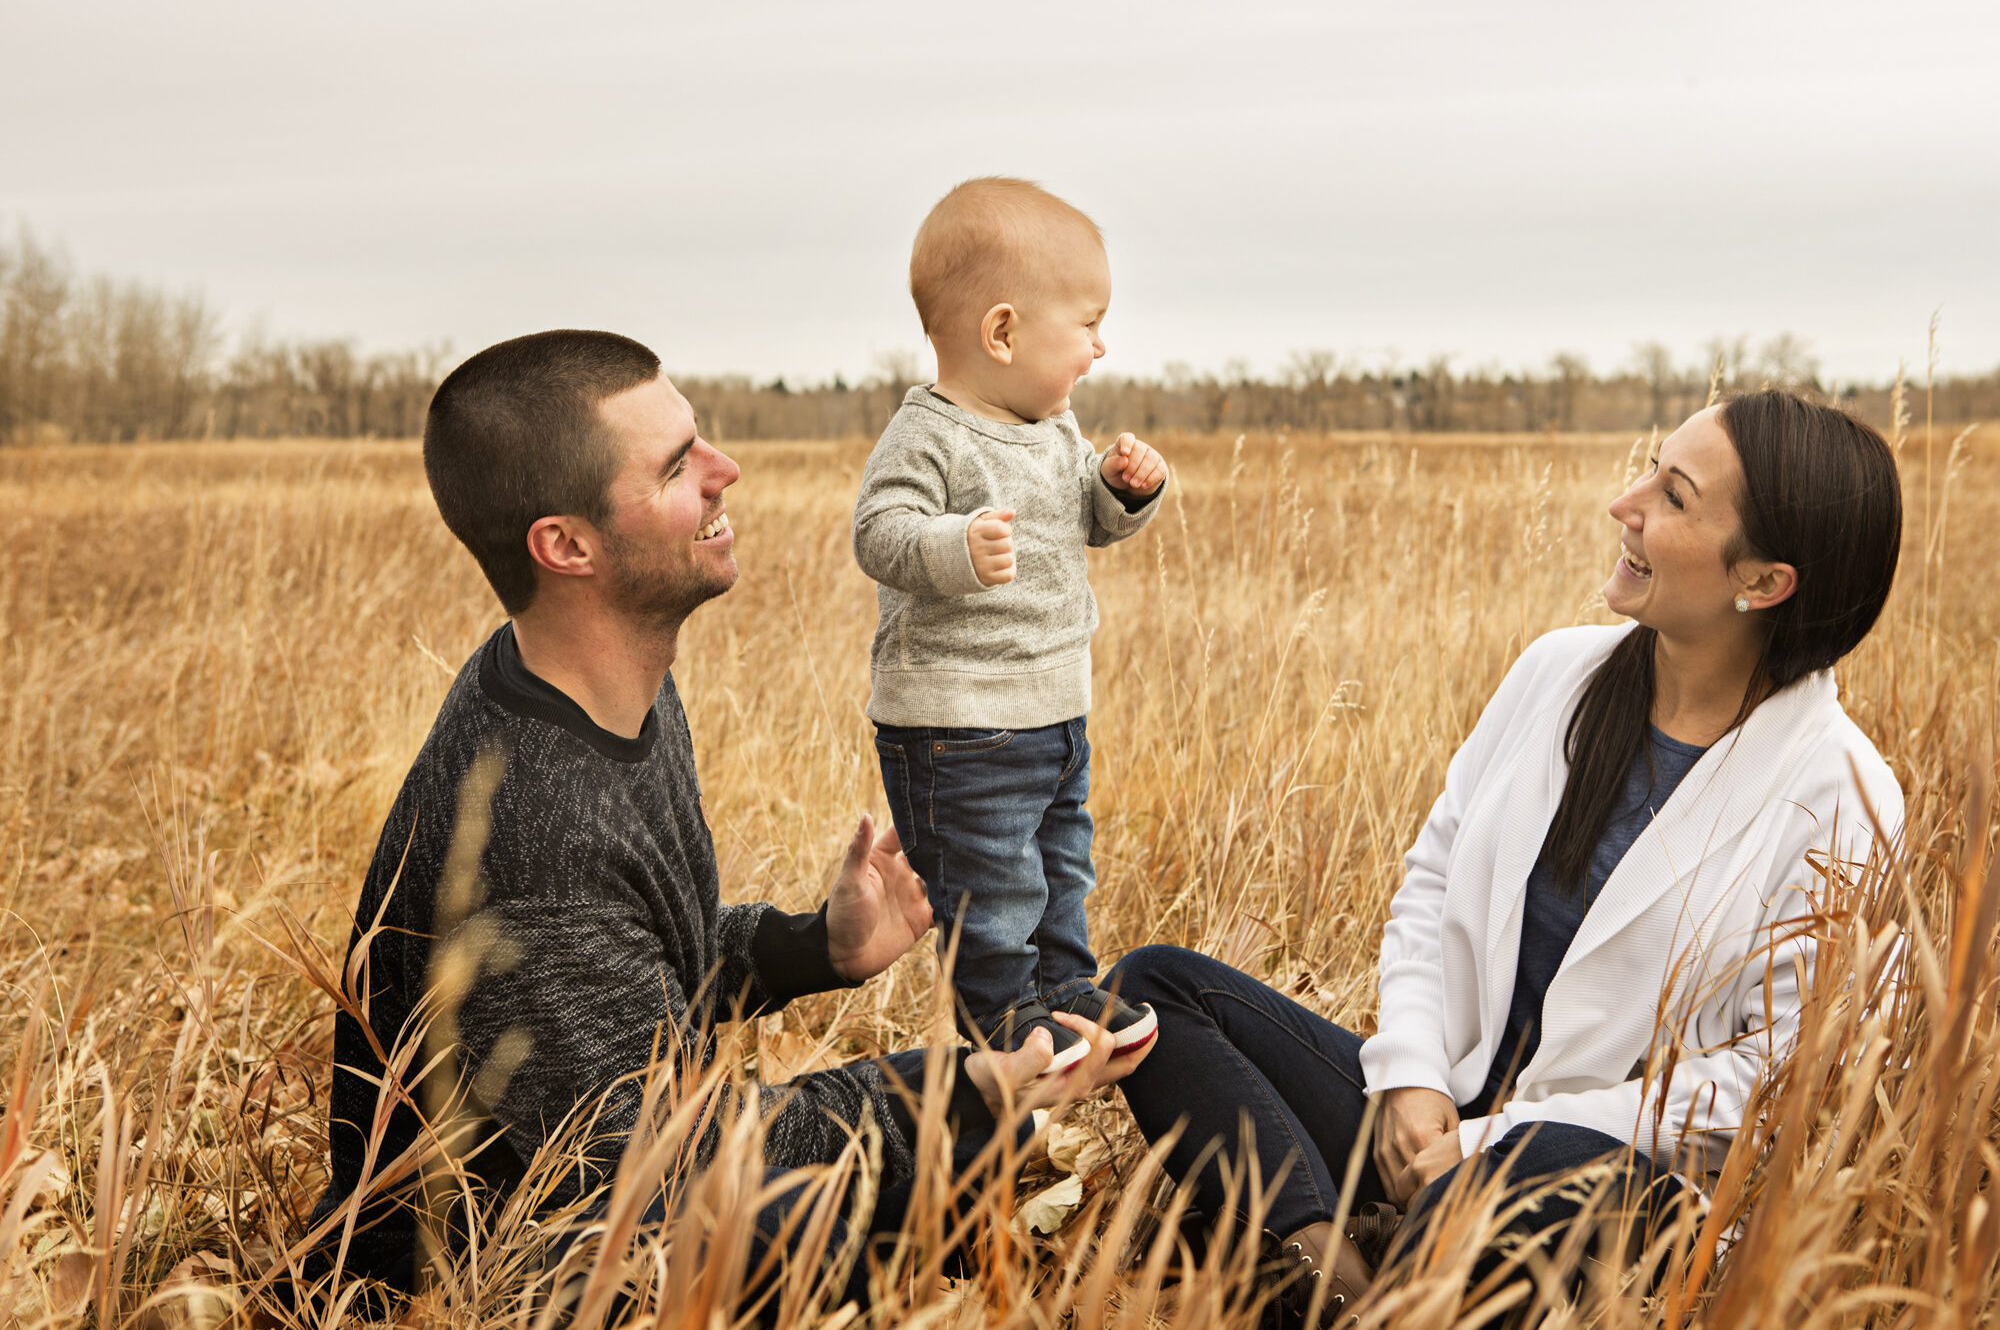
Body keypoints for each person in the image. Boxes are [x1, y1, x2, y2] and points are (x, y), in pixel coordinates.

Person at [299, 329, 1150, 1303]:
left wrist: (810, 950)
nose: (725, 471)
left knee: (941, 1187)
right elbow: (667, 1153)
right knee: (927, 1161)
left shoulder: (589, 681)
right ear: (565, 545)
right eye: (675, 465)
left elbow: (627, 983)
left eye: (700, 442)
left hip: (621, 1194)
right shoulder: (539, 825)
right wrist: (958, 1090)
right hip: (513, 1276)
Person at [1109, 392, 1905, 1325]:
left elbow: (1774, 1082)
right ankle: (1341, 1287)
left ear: (1764, 582)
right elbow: (1433, 878)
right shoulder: (1557, 673)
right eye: (1650, 467)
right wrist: (1410, 1076)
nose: (1626, 502)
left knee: (1510, 1181)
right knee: (1154, 990)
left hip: (1605, 1178)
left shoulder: (1843, 794)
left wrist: (1492, 1139)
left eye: (1674, 496)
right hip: (1438, 1116)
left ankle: (1340, 1252)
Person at [853, 178, 1170, 1074]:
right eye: (1087, 324)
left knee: (1060, 870)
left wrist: (1122, 491)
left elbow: (1088, 522)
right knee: (990, 896)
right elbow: (879, 532)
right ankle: (1010, 1035)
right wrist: (954, 545)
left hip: (1054, 713)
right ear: (1002, 332)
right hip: (959, 728)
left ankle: (1068, 995)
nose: (1100, 346)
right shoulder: (930, 435)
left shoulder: (1055, 428)